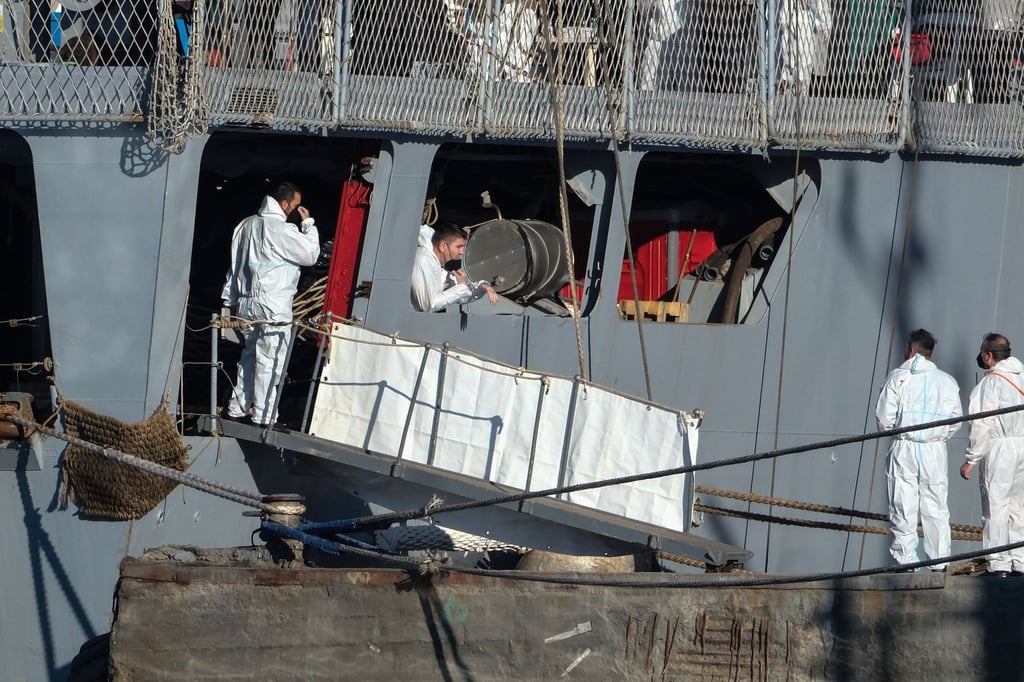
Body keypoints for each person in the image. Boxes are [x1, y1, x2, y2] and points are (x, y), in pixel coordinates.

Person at [222, 182, 320, 426]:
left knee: (249, 357)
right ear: (285, 204)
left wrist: (230, 300)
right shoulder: (281, 229)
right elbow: (310, 255)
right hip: (273, 304)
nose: (296, 210)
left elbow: (234, 266)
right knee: (271, 360)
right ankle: (265, 415)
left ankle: (237, 407)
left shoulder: (244, 226)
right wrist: (308, 225)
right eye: (296, 206)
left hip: (246, 304)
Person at [875, 329, 962, 572]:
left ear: (911, 350)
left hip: (905, 446)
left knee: (903, 504)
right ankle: (939, 562)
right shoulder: (947, 381)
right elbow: (956, 419)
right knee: (936, 507)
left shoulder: (898, 378)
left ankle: (905, 561)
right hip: (934, 450)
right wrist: (937, 436)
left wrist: (902, 433)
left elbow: (884, 419)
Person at [960, 333, 1024, 576]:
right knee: (1019, 507)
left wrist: (971, 459)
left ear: (988, 356)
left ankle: (998, 565)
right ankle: (1020, 561)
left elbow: (982, 424)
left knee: (995, 507)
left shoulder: (991, 383)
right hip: (1022, 446)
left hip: (1001, 448)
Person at [410, 223, 498, 312]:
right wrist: (461, 287)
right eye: (458, 247)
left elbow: (461, 296)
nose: (461, 252)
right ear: (443, 246)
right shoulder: (423, 259)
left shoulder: (443, 268)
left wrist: (482, 286)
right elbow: (428, 305)